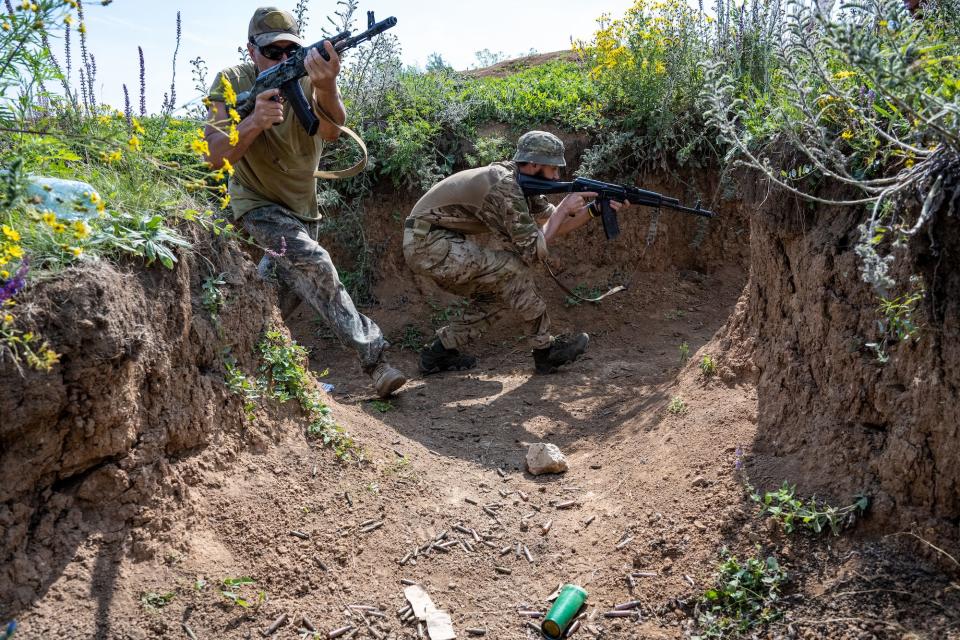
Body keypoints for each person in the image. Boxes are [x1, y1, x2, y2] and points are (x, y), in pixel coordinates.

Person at [204, 6, 406, 398]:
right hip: (258, 202)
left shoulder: (313, 76)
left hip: (303, 208)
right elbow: (213, 157)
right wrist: (253, 122)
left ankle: (233, 365)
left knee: (266, 299)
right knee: (316, 262)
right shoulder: (231, 82)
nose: (283, 60)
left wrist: (327, 85)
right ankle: (375, 359)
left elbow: (330, 132)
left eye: (289, 53)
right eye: (272, 52)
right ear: (251, 51)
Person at [403, 130, 629, 375]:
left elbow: (553, 223)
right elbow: (533, 251)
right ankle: (545, 351)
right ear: (533, 164)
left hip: (437, 244)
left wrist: (594, 208)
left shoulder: (517, 181)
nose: (557, 175)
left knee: (499, 292)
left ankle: (438, 353)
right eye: (553, 168)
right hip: (426, 244)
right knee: (514, 269)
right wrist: (563, 209)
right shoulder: (505, 186)